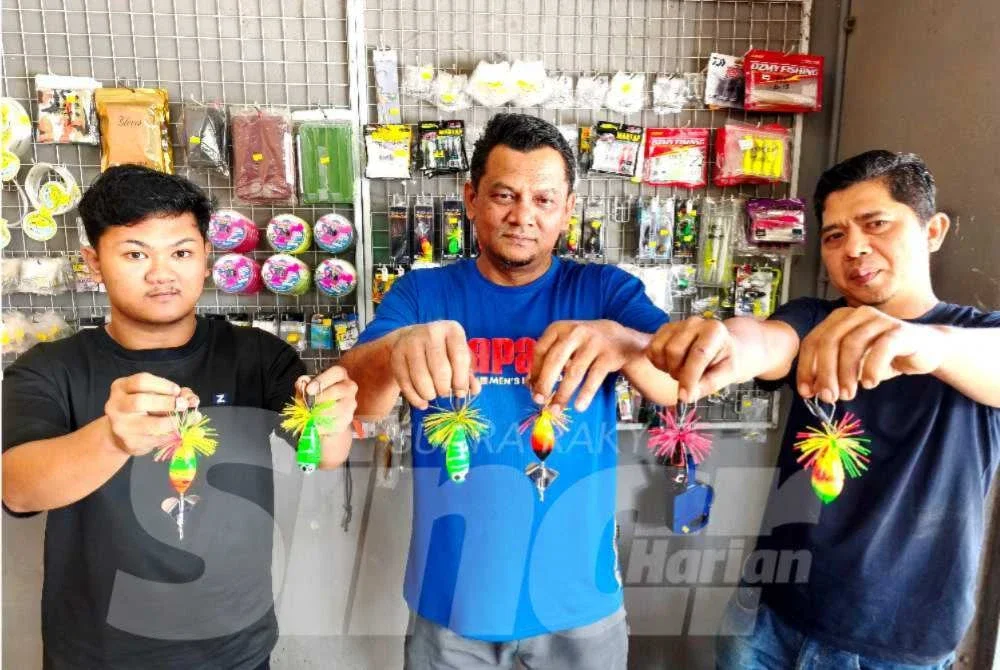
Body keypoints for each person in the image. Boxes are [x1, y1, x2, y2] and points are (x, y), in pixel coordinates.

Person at [339, 113, 677, 669]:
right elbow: (358, 396)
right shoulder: (422, 293)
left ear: (568, 209)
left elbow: (669, 384)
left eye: (544, 200)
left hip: (579, 603)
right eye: (504, 195)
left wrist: (624, 341)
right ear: (471, 199)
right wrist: (394, 349)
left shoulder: (604, 289)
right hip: (451, 603)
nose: (523, 216)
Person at [647, 150, 1000, 670]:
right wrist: (722, 342)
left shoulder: (978, 338)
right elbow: (766, 341)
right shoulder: (815, 319)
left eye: (875, 224)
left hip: (896, 645)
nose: (854, 248)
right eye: (835, 236)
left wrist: (930, 344)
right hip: (767, 613)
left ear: (933, 230)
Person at [2, 164, 357, 670]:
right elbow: (17, 488)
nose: (162, 273)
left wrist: (332, 416)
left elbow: (323, 454)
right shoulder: (49, 369)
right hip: (96, 653)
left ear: (207, 258)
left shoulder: (257, 356)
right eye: (134, 254)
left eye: (181, 252)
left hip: (234, 649)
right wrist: (111, 439)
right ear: (93, 263)